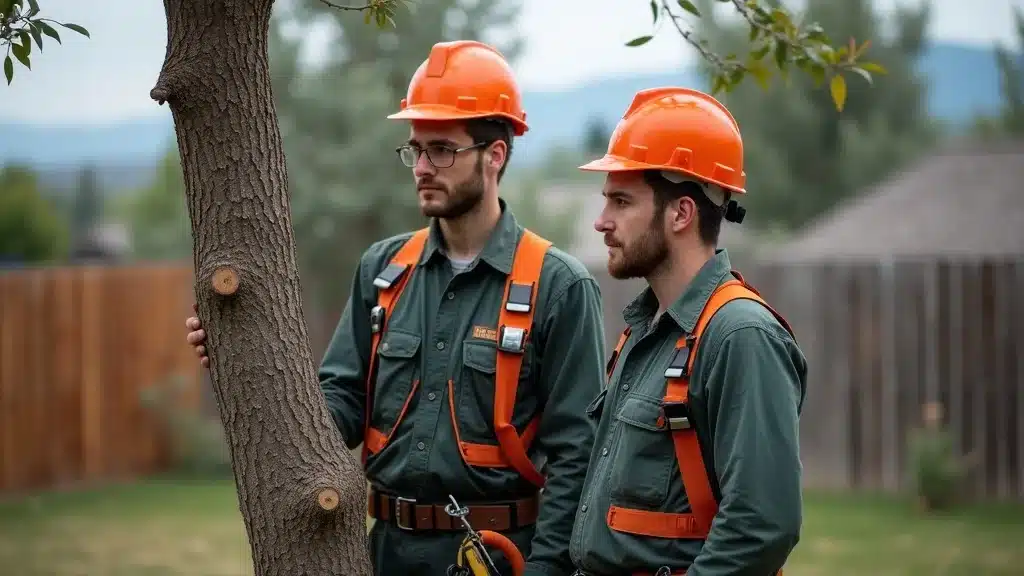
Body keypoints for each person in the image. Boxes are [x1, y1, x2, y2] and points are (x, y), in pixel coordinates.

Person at [185, 39, 606, 576]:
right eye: (416, 149)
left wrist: (543, 570)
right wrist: (244, 365)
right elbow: (335, 409)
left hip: (500, 558)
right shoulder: (384, 271)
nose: (423, 167)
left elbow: (577, 454)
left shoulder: (559, 285)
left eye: (443, 150)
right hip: (383, 555)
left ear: (494, 155)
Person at [566, 87, 808, 576]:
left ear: (681, 213)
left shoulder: (740, 336)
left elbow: (762, 525)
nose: (601, 221)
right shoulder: (647, 329)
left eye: (620, 201)